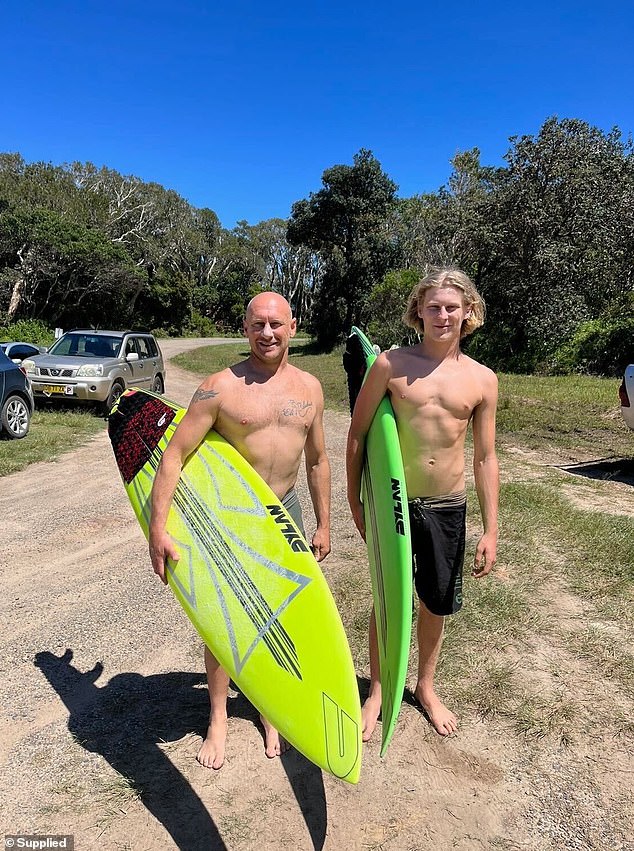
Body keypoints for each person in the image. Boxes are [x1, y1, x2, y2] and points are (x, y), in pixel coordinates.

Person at [149, 292, 331, 769]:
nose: (267, 333)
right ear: (245, 328)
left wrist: (325, 521)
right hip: (230, 519)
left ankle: (270, 707)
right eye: (257, 325)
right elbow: (173, 456)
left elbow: (317, 460)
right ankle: (218, 718)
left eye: (276, 324)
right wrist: (158, 528)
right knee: (224, 620)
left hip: (285, 513)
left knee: (277, 618)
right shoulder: (219, 387)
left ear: (293, 325)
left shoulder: (310, 388)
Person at [346, 267, 499, 741]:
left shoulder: (482, 380)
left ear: (468, 313)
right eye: (433, 306)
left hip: (447, 504)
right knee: (388, 599)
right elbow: (357, 435)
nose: (442, 315)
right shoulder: (390, 365)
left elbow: (485, 457)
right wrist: (356, 501)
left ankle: (426, 687)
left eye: (452, 307)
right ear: (419, 312)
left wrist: (492, 529)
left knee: (435, 603)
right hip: (393, 503)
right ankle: (377, 688)